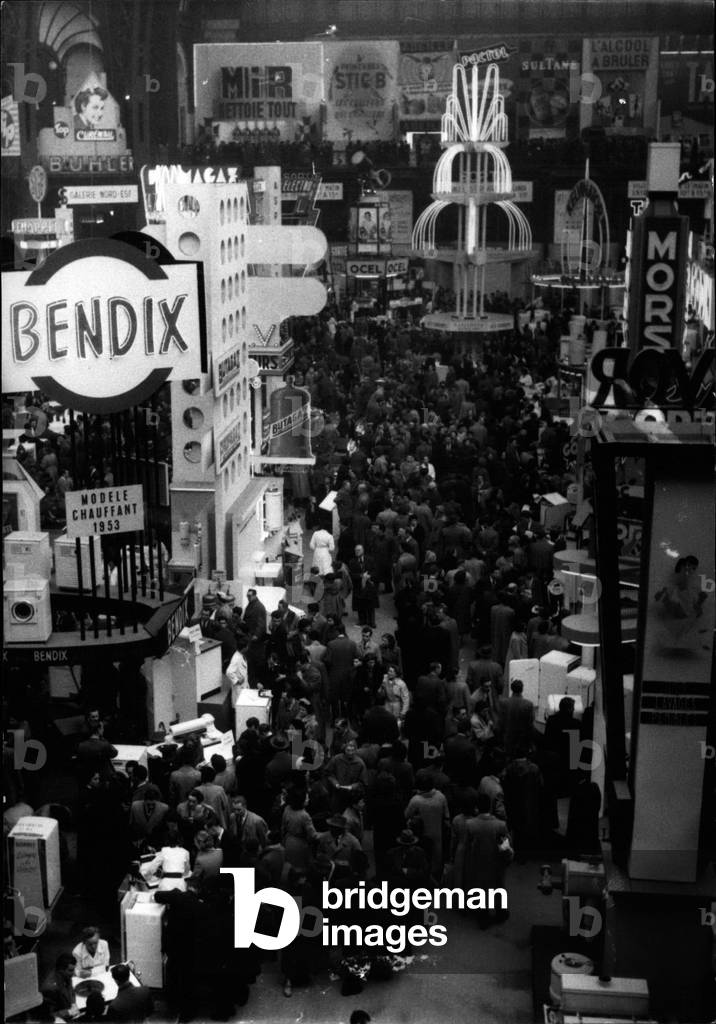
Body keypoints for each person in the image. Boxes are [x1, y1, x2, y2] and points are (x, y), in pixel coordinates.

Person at [41, 953, 79, 1021]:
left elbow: (70, 989)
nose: (73, 973)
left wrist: (73, 1002)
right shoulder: (49, 989)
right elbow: (49, 1016)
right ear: (61, 970)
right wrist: (68, 1012)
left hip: (68, 1009)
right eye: (71, 970)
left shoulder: (66, 975)